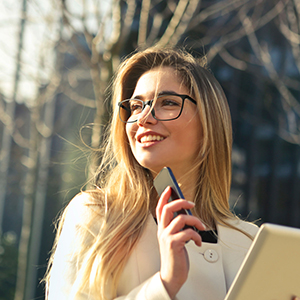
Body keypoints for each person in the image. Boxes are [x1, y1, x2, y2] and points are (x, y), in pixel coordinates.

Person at [45, 47, 260, 300]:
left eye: (167, 102)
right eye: (136, 106)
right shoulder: (96, 215)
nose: (144, 118)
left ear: (209, 122)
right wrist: (165, 284)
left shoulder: (251, 242)